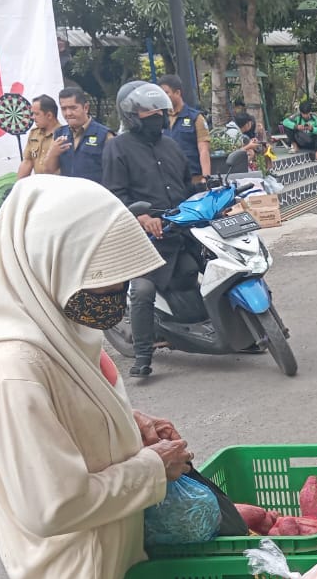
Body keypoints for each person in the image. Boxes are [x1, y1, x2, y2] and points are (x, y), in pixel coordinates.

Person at [0, 175, 195, 579]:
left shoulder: (56, 324)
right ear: (52, 262)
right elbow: (52, 506)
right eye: (104, 275)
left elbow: (73, 409)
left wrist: (130, 423)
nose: (117, 291)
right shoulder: (11, 365)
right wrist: (152, 468)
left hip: (114, 552)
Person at [101, 81, 197, 377]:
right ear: (131, 114)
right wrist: (141, 217)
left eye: (159, 109)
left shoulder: (171, 145)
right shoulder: (117, 148)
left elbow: (187, 184)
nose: (156, 114)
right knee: (142, 290)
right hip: (143, 239)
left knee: (209, 268)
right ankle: (143, 353)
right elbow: (115, 195)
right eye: (147, 110)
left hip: (179, 231)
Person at [51, 87, 112, 184]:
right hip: (67, 195)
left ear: (86, 108)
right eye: (64, 109)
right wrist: (52, 153)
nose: (68, 113)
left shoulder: (104, 135)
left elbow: (113, 174)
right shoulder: (60, 134)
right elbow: (48, 171)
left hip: (95, 196)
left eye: (73, 108)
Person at [160, 74, 212, 180]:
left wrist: (206, 178)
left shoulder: (195, 118)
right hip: (170, 179)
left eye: (166, 93)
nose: (163, 97)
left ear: (177, 93)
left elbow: (204, 150)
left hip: (193, 177)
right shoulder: (160, 118)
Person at [16, 95, 61, 180]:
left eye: (37, 114)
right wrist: (18, 186)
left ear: (49, 115)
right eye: (32, 113)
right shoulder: (34, 133)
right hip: (38, 184)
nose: (33, 117)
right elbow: (27, 162)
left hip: (57, 185)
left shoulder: (63, 134)